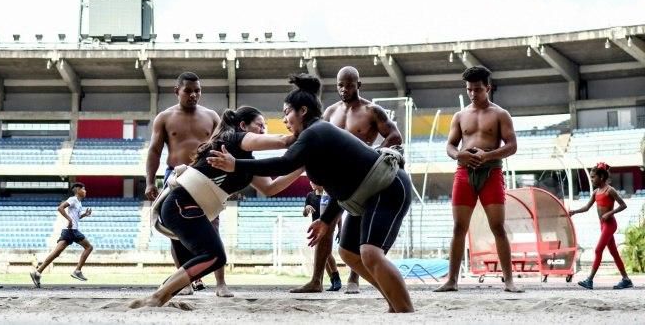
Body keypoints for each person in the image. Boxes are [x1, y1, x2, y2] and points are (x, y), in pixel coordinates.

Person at [208, 75, 414, 313]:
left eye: (287, 112)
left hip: (388, 186)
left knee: (369, 252)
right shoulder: (314, 137)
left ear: (302, 111)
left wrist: (237, 164)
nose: (284, 119)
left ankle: (405, 311)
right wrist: (326, 221)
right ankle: (395, 301)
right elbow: (344, 187)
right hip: (363, 194)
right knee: (348, 253)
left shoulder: (316, 132)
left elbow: (284, 164)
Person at [129, 106, 303, 309]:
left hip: (190, 207)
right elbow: (284, 141)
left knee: (213, 255)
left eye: (265, 127)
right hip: (180, 203)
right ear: (243, 126)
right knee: (214, 255)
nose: (264, 130)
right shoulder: (233, 140)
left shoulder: (246, 164)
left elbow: (271, 188)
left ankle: (160, 296)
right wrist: (307, 135)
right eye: (260, 125)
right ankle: (158, 296)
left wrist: (302, 167)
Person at [293, 65, 403, 294]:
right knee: (326, 225)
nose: (344, 89)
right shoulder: (330, 112)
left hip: (363, 180)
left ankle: (354, 279)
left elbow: (395, 135)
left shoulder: (372, 110)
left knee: (359, 228)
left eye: (349, 85)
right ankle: (316, 280)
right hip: (335, 180)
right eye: (341, 85)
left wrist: (373, 155)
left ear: (358, 85)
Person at [434, 66, 521, 293]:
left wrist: (489, 155)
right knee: (458, 228)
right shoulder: (460, 116)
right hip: (464, 173)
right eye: (469, 90)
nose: (473, 94)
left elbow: (512, 146)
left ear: (488, 88)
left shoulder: (500, 114)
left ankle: (509, 281)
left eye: (478, 90)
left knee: (498, 227)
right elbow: (450, 145)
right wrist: (458, 154)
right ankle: (452, 280)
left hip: (491, 173)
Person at [144, 71, 230, 296]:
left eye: (198, 91)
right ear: (177, 91)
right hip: (175, 176)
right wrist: (149, 182)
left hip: (204, 175)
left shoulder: (212, 116)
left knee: (213, 225)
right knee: (176, 230)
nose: (194, 95)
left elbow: (224, 148)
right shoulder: (164, 117)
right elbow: (154, 150)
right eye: (188, 91)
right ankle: (185, 282)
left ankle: (221, 283)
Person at [569, 162, 633, 290]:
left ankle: (589, 280)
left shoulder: (610, 190)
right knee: (614, 253)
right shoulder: (596, 192)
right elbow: (587, 207)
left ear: (601, 177)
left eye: (593, 177)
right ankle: (626, 279)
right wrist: (574, 212)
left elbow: (623, 205)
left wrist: (610, 213)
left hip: (610, 225)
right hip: (602, 225)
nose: (591, 179)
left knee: (598, 250)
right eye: (591, 177)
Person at [30, 182, 94, 287]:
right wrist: (69, 219)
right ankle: (77, 271)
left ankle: (37, 272)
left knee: (56, 253)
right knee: (89, 247)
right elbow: (60, 208)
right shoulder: (73, 199)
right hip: (71, 230)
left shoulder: (78, 202)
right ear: (78, 190)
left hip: (69, 231)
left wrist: (85, 215)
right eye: (83, 189)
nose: (85, 191)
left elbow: (76, 217)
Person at [303, 182, 342, 291]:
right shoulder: (310, 196)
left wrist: (340, 229)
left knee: (324, 252)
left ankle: (335, 278)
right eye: (310, 181)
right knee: (322, 254)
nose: (311, 183)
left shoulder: (329, 194)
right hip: (316, 228)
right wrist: (307, 208)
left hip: (328, 226)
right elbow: (304, 213)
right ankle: (334, 279)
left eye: (313, 181)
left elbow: (337, 213)